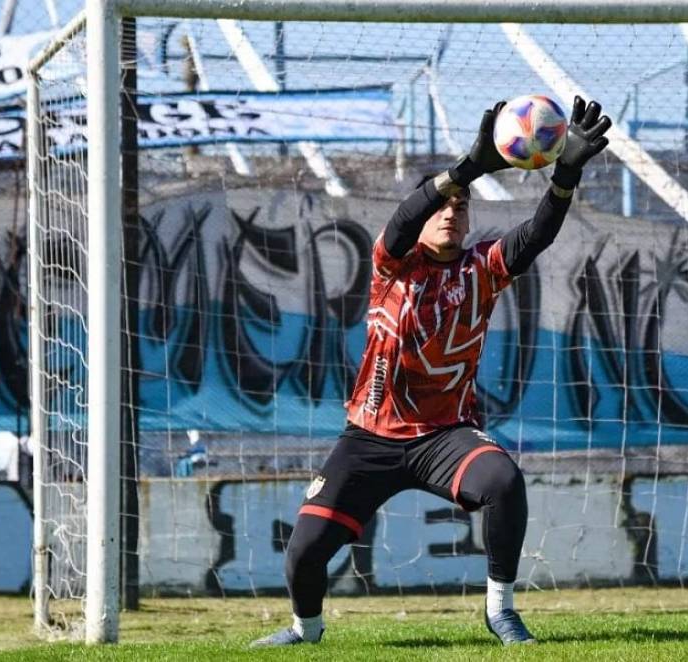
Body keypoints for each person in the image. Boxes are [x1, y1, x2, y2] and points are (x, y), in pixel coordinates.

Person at [251, 96, 612, 647]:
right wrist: (466, 168)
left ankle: (500, 612)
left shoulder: (482, 268)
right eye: (440, 206)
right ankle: (306, 631)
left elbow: (537, 234)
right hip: (369, 437)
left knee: (503, 481)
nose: (449, 213)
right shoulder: (392, 264)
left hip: (445, 436)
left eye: (460, 208)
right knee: (304, 551)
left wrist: (565, 176)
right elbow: (401, 222)